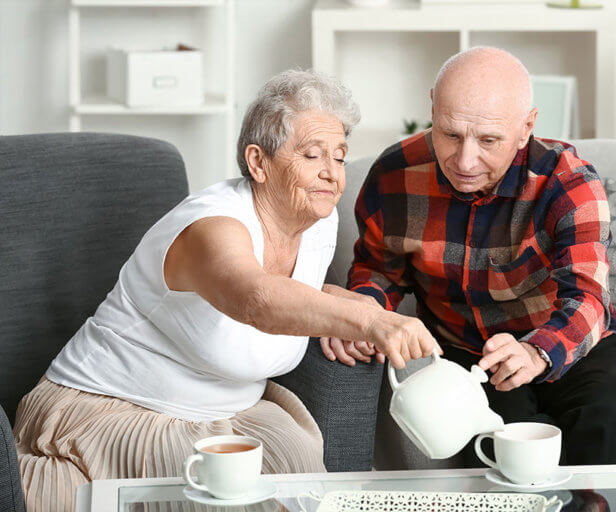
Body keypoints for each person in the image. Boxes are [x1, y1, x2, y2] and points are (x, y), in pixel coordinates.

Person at [13, 69, 439, 512]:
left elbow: (304, 290)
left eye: (339, 156)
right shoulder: (211, 226)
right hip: (111, 408)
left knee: (302, 487)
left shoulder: (317, 220)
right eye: (313, 155)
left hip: (228, 416)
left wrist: (358, 313)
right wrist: (372, 320)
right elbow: (255, 297)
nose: (331, 173)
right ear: (258, 162)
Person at [321, 47, 616, 466]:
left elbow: (587, 299)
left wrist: (536, 353)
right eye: (451, 134)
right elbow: (379, 272)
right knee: (503, 447)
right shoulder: (394, 175)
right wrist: (359, 315)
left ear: (527, 127)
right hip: (465, 352)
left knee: (614, 419)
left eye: (489, 140)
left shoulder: (568, 182)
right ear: (433, 108)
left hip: (569, 344)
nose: (464, 160)